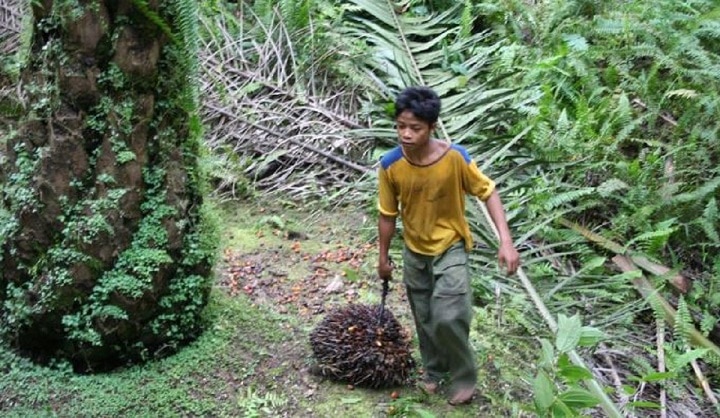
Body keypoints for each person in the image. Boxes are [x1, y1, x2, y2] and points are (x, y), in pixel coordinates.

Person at [376, 86, 520, 405]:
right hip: (414, 249)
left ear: (432, 127)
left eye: (415, 128)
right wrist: (383, 257)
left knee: (449, 314)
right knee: (425, 316)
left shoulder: (455, 158)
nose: (406, 134)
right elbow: (387, 214)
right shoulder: (390, 165)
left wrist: (505, 242)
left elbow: (488, 192)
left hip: (450, 246)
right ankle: (435, 371)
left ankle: (463, 376)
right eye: (401, 126)